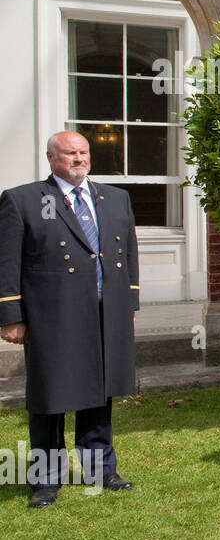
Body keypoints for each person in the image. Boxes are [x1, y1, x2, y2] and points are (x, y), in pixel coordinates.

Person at [0, 130, 139, 508]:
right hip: (52, 316)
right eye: (69, 154)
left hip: (104, 310)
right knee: (50, 395)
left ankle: (101, 469)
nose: (79, 159)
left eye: (83, 152)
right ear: (51, 158)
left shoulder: (115, 198)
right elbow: (8, 262)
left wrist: (129, 306)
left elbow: (128, 253)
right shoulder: (24, 200)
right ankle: (46, 479)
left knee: (100, 391)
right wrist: (11, 315)